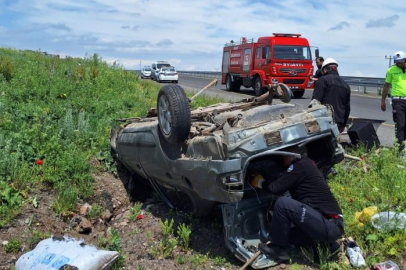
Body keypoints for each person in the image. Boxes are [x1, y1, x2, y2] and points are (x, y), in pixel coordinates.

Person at [250, 146, 344, 262]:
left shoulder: (299, 165)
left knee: (283, 203)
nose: (283, 160)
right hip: (329, 224)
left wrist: (260, 182)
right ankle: (327, 247)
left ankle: (277, 249)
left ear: (291, 155)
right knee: (290, 235)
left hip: (329, 224)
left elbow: (275, 188)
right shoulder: (307, 165)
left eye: (284, 156)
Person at [311, 58, 351, 133]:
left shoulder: (322, 80)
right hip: (338, 122)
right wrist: (343, 125)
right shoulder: (346, 85)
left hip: (323, 122)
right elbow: (347, 108)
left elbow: (315, 102)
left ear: (325, 70)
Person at [381, 51, 406, 152]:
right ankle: (399, 147)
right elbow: (386, 85)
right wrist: (383, 100)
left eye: (400, 62)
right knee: (400, 124)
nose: (398, 64)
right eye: (396, 62)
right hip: (397, 101)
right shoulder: (391, 70)